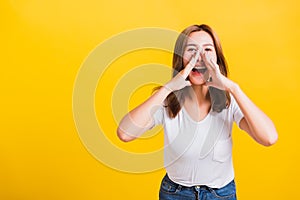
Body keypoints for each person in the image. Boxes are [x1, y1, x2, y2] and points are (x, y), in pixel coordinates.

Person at [117, 24, 278, 200]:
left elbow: (269, 138)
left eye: (207, 50)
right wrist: (168, 88)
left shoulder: (229, 101)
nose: (199, 57)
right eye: (191, 50)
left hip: (221, 194)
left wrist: (233, 87)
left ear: (217, 59)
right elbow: (125, 133)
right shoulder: (167, 102)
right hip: (175, 194)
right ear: (180, 58)